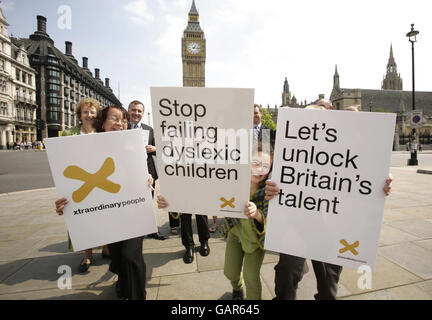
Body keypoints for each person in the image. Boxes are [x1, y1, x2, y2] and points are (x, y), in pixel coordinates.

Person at [265, 101, 394, 300]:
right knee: (287, 275)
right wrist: (271, 188)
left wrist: (382, 183)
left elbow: (366, 173)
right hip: (296, 221)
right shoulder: (292, 148)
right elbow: (275, 178)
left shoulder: (346, 148)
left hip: (331, 225)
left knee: (328, 287)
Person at [56, 105, 151, 300]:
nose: (121, 123)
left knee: (130, 256)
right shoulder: (86, 148)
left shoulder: (134, 147)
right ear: (102, 123)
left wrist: (148, 178)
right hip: (108, 216)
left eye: (123, 119)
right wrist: (66, 203)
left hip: (134, 212)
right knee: (118, 257)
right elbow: (71, 180)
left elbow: (141, 172)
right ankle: (124, 283)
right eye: (115, 119)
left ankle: (137, 295)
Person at [60, 98, 110, 273]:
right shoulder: (68, 134)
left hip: (100, 180)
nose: (89, 115)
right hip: (79, 181)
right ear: (79, 115)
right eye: (85, 112)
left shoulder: (102, 133)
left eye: (92, 112)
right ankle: (87, 255)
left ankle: (105, 247)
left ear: (97, 115)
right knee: (84, 218)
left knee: (102, 215)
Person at [221, 146, 273, 300]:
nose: (259, 169)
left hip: (256, 242)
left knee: (251, 277)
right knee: (230, 272)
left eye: (265, 166)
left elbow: (272, 222)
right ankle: (237, 287)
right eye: (255, 163)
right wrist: (173, 200)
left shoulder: (269, 191)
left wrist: (257, 214)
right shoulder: (233, 181)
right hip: (235, 234)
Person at [128, 100, 167, 241]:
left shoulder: (149, 129)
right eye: (133, 110)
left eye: (139, 111)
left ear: (143, 114)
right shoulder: (122, 128)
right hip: (128, 173)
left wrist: (155, 149)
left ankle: (151, 230)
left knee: (148, 203)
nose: (136, 113)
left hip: (148, 173)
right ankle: (132, 232)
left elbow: (161, 148)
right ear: (128, 111)